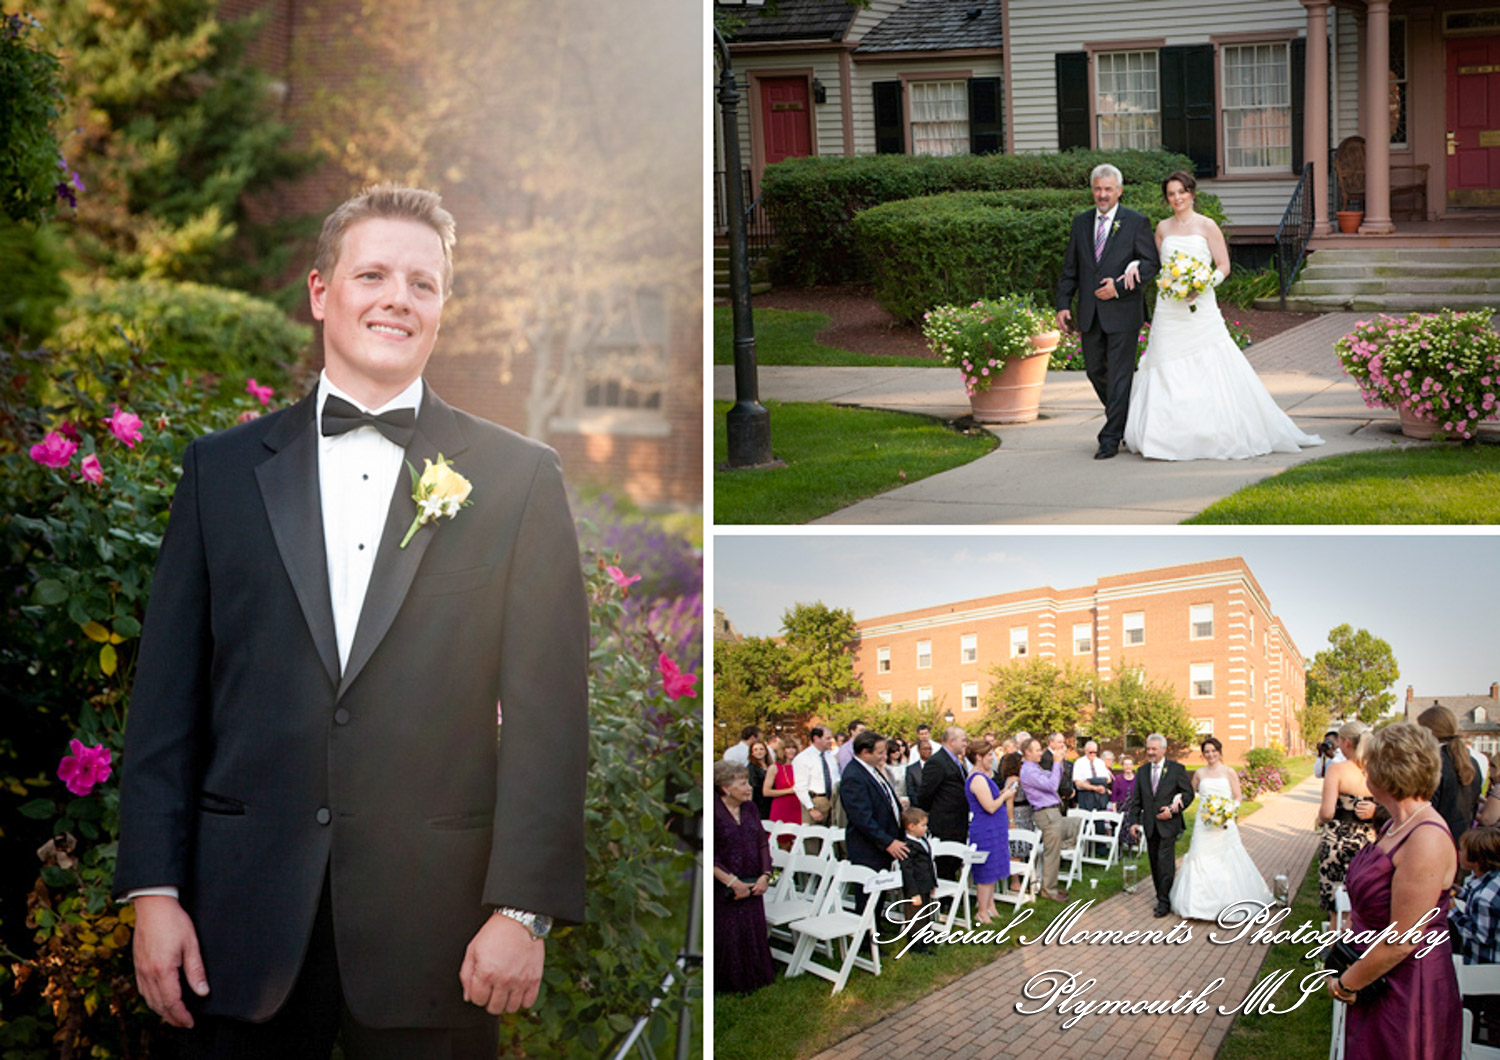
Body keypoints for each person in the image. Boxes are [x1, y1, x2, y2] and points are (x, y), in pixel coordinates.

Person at [113, 185, 589, 1057]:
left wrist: (523, 910)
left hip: (440, 938)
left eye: (422, 283)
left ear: (443, 307)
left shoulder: (519, 480)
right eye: (372, 274)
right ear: (321, 292)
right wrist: (153, 892)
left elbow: (550, 719)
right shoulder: (217, 474)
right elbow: (166, 704)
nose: (396, 299)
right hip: (234, 932)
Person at [1122, 170, 1325, 461]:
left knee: (1211, 361)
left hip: (1200, 306)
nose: (1177, 198)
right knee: (1163, 361)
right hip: (1170, 310)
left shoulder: (1207, 226)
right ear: (1167, 199)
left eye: (1182, 192)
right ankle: (1165, 435)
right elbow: (1159, 266)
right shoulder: (1162, 229)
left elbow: (1223, 266)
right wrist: (1149, 273)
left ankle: (1213, 432)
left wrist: (1201, 285)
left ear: (1191, 193)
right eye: (1171, 194)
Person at [1329, 722, 1460, 1060]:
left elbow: (1401, 941)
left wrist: (1346, 983)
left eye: (1368, 763)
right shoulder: (1394, 824)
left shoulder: (1426, 838)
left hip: (1406, 987)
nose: (1363, 770)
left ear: (1387, 771)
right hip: (1376, 977)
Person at [1054, 162, 1160, 460]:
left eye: (1108, 189)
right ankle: (1125, 419)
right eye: (1098, 189)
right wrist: (1063, 304)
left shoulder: (1136, 222)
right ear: (1092, 190)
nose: (1102, 195)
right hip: (1089, 313)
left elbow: (1151, 265)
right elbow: (1070, 269)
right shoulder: (1080, 222)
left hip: (1123, 313)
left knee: (1119, 375)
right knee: (1095, 370)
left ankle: (1110, 437)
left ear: (1119, 191)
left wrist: (1119, 287)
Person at [1168, 737, 1273, 920]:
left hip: (1225, 822)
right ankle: (1196, 906)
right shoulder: (1199, 773)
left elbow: (1238, 796)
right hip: (1204, 823)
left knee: (1228, 857)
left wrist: (1230, 810)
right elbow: (1189, 793)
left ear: (1219, 751)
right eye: (1206, 751)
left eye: (1213, 750)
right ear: (1203, 754)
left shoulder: (1229, 771)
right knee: (1198, 855)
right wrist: (1178, 797)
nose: (1210, 754)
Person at [711, 761, 774, 995]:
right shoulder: (712, 811)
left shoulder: (750, 809)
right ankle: (730, 983)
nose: (749, 788)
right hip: (724, 886)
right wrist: (731, 882)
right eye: (743, 783)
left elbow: (762, 843)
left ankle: (757, 978)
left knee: (753, 929)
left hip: (753, 880)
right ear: (726, 788)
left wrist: (765, 875)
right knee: (729, 932)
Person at [1316, 720, 1387, 913]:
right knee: (1363, 905)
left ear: (1346, 742)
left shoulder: (1336, 770)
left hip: (1338, 842)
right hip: (1369, 842)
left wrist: (1320, 818)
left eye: (1338, 741)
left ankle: (1336, 942)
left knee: (1337, 909)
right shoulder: (1378, 770)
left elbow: (1328, 812)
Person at [1126, 733, 1195, 917]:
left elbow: (1188, 795)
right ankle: (1162, 895)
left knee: (1165, 863)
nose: (1150, 752)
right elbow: (1136, 801)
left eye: (1154, 749)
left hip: (1168, 825)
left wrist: (1173, 810)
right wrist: (1133, 822)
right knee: (1155, 864)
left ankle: (1164, 902)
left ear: (1163, 750)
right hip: (1149, 825)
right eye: (1148, 749)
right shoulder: (1141, 771)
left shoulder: (1176, 769)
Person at [1019, 738, 1082, 902]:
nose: (1041, 752)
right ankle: (1049, 890)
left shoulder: (1035, 767)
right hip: (1046, 813)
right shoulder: (1028, 771)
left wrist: (1059, 763)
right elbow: (1052, 786)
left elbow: (1054, 777)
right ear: (1027, 752)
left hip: (1053, 812)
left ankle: (1051, 885)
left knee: (1077, 824)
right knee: (1052, 853)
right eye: (1037, 750)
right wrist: (1055, 763)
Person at [965, 738, 1016, 923]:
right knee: (986, 871)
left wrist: (1003, 793)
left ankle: (990, 905)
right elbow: (990, 807)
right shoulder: (977, 778)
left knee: (994, 868)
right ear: (978, 757)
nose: (992, 758)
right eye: (988, 755)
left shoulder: (984, 775)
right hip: (985, 829)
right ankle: (981, 911)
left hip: (995, 827)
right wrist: (1007, 796)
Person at [1418, 704, 1482, 841]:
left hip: (1436, 840)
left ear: (1428, 732)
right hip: (1464, 841)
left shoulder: (1432, 764)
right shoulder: (1472, 762)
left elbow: (1425, 809)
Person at [917, 727, 970, 882]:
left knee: (954, 861)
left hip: (958, 820)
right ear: (952, 741)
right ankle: (944, 900)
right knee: (945, 862)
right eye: (963, 740)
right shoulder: (937, 762)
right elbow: (926, 793)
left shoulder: (957, 761)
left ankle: (952, 894)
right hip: (945, 822)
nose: (965, 744)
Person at [897, 807, 938, 954]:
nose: (926, 828)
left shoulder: (923, 841)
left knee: (926, 914)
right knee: (915, 917)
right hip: (915, 888)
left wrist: (933, 882)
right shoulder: (907, 846)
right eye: (923, 825)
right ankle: (916, 946)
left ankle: (926, 938)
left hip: (926, 884)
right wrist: (913, 893)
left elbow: (929, 864)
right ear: (911, 827)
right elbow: (907, 872)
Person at [793, 726, 837, 827]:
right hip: (816, 802)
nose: (831, 741)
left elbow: (836, 778)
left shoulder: (829, 756)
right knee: (812, 838)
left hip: (832, 801)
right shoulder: (803, 758)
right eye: (828, 738)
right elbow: (800, 787)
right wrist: (811, 808)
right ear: (816, 739)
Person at [763, 735, 802, 845]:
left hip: (798, 806)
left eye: (793, 748)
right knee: (780, 839)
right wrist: (789, 791)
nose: (791, 750)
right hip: (781, 806)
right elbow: (766, 791)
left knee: (798, 840)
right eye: (788, 748)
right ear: (782, 750)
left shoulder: (801, 766)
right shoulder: (775, 767)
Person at [1073, 740, 1111, 812]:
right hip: (1085, 795)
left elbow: (1108, 779)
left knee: (1100, 820)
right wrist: (1094, 787)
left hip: (1100, 796)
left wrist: (1093, 782)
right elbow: (1077, 782)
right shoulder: (1079, 763)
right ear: (1085, 751)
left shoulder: (1100, 762)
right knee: (1086, 820)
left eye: (1095, 752)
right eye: (1091, 752)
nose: (1093, 754)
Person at [747, 739, 773, 822]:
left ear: (766, 751)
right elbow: (753, 785)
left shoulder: (770, 765)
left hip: (771, 801)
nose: (759, 752)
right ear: (752, 753)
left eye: (761, 749)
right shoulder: (751, 768)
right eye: (755, 750)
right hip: (759, 802)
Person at [883, 737, 910, 807]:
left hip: (907, 798)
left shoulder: (904, 764)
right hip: (894, 799)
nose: (896, 753)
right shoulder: (885, 767)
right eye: (893, 751)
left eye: (898, 750)